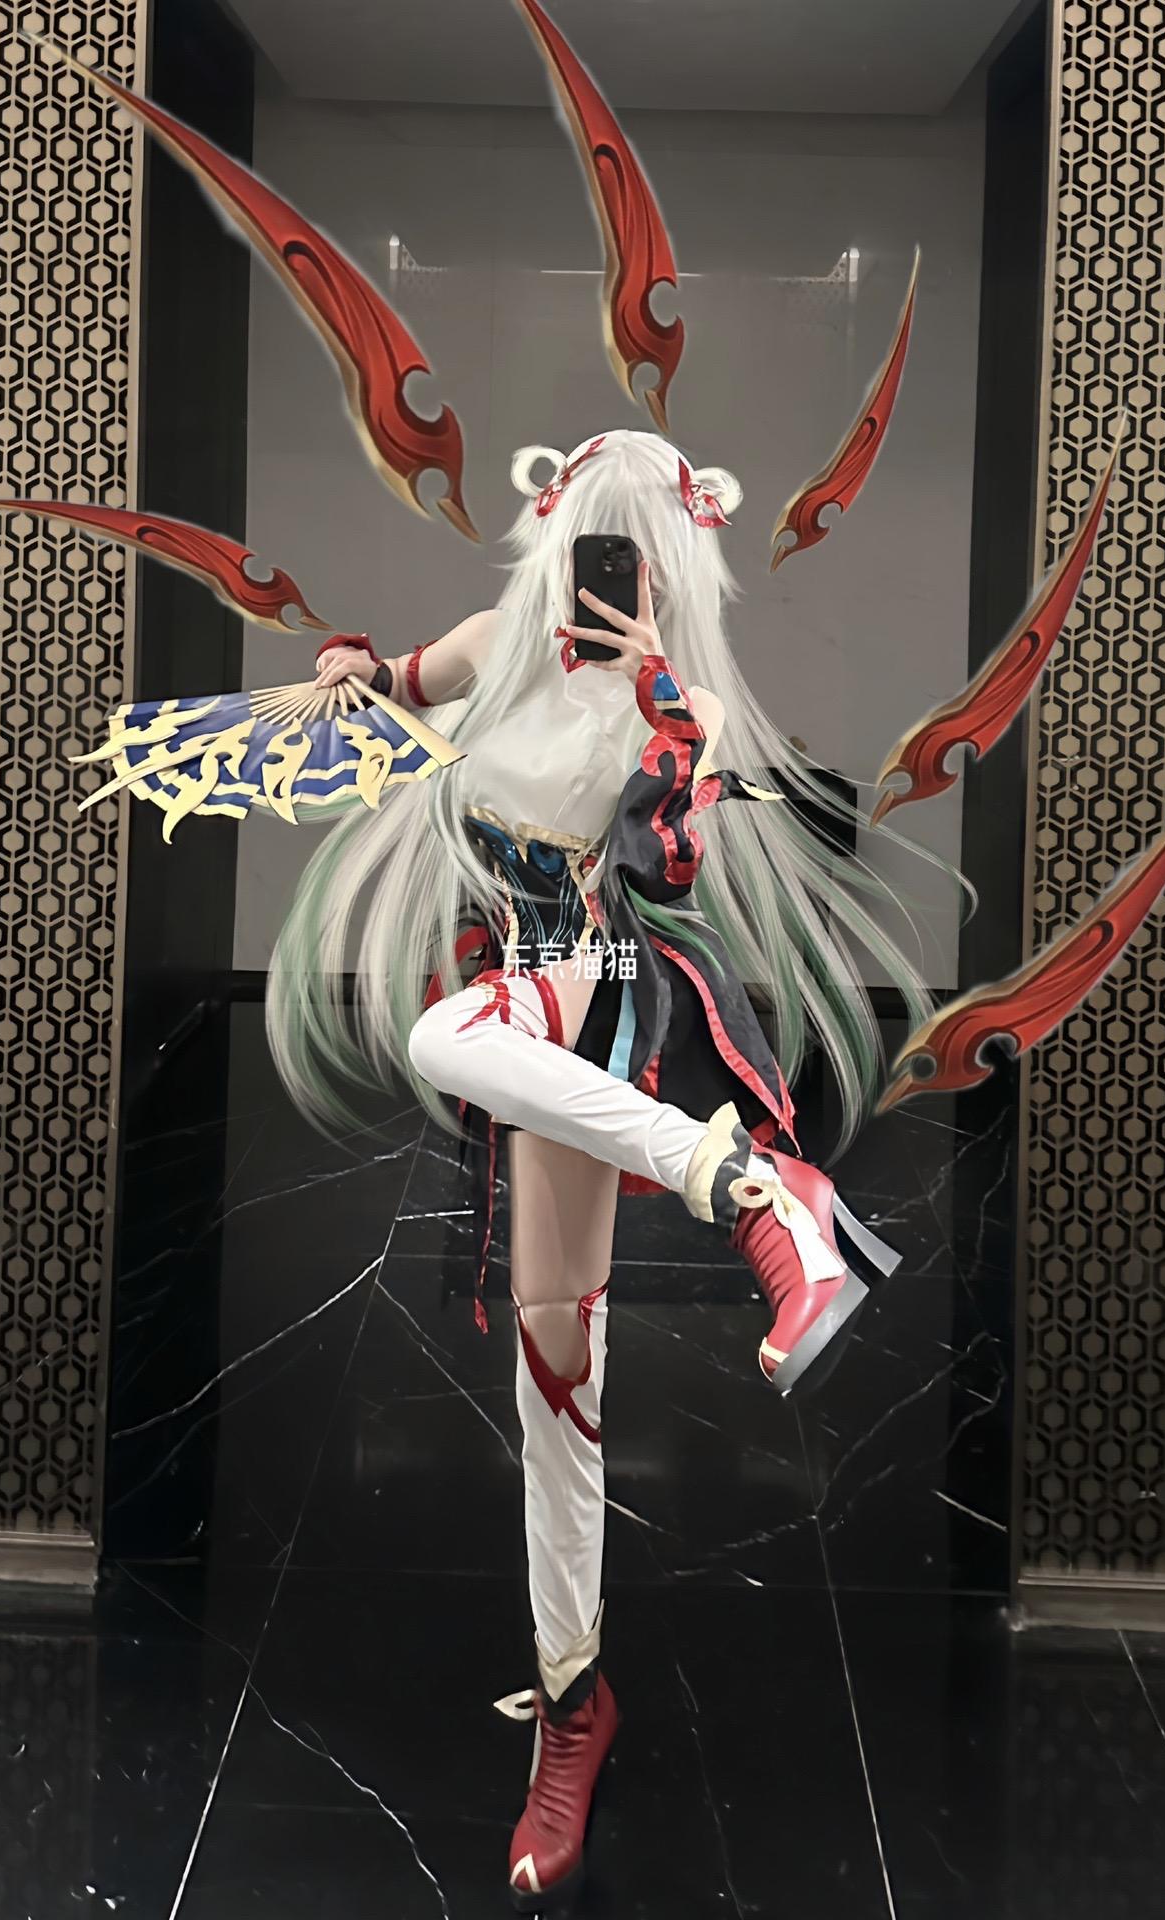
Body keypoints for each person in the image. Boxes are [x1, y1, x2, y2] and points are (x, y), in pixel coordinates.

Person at [268, 426, 935, 1910]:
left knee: (449, 1044)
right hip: (530, 1020)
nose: (609, 576)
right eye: (591, 546)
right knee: (555, 1358)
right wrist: (350, 667)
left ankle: (743, 1185)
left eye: (637, 554)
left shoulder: (677, 706)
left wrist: (661, 703)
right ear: (554, 542)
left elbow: (671, 862)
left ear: (675, 565)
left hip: (604, 995)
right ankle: (574, 1703)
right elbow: (396, 681)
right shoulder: (499, 641)